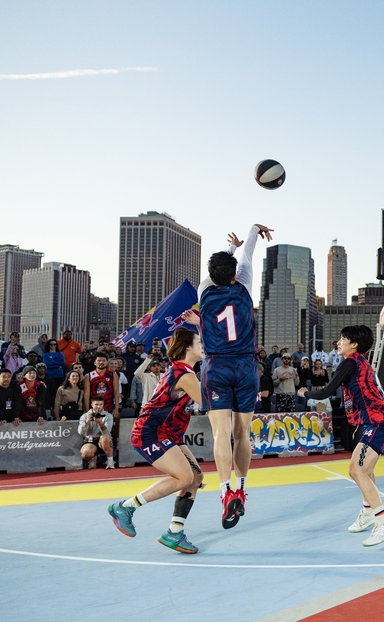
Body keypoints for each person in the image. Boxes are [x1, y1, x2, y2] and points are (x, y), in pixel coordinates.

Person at [183, 223, 272, 529]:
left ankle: (225, 492)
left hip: (216, 365)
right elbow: (248, 252)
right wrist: (251, 231)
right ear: (234, 275)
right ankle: (242, 490)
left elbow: (223, 264)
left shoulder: (204, 290)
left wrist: (229, 249)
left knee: (221, 433)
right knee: (242, 432)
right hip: (246, 365)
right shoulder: (243, 284)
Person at [298, 325, 384, 546]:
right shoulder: (361, 363)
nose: (339, 342)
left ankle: (383, 523)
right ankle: (368, 512)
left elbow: (325, 392)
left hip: (378, 422)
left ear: (354, 344)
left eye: (343, 338)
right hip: (376, 421)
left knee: (356, 470)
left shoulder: (350, 362)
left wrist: (305, 392)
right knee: (366, 471)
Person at [107, 328, 206, 554]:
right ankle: (124, 508)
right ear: (188, 347)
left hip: (169, 433)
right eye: (199, 341)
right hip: (151, 432)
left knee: (196, 477)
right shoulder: (185, 375)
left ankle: (174, 532)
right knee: (184, 477)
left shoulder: (184, 371)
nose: (202, 345)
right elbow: (209, 402)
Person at [78, 396, 114, 469]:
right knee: (85, 452)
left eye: (100, 404)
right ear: (92, 405)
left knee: (105, 437)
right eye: (96, 404)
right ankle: (92, 458)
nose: (98, 406)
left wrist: (101, 424)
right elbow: (80, 432)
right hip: (90, 440)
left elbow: (107, 432)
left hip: (103, 441)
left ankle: (110, 461)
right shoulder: (85, 416)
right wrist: (87, 422)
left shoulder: (108, 416)